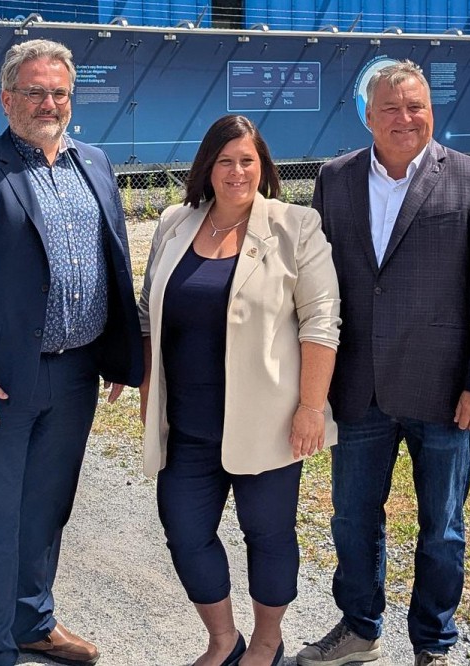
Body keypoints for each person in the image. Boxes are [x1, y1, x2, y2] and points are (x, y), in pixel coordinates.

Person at [0, 39, 143, 666]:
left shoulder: (95, 163)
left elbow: (115, 261)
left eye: (59, 93)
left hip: (76, 373)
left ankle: (33, 622)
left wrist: (119, 356)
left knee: (48, 508)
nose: (48, 103)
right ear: (6, 98)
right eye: (35, 91)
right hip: (0, 382)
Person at [297, 60, 470, 666]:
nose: (404, 118)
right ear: (367, 116)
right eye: (390, 107)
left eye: (415, 105)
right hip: (359, 387)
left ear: (431, 111)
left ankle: (433, 644)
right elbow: (319, 285)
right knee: (352, 519)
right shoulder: (334, 179)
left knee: (442, 529)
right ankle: (359, 630)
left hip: (445, 393)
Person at [138, 114, 341, 666]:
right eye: (225, 161)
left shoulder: (295, 225)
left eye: (247, 161)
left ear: (264, 167)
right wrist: (147, 387)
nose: (236, 172)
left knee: (268, 535)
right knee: (184, 531)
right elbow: (149, 313)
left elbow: (321, 322)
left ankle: (268, 642)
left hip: (269, 421)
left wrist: (311, 408)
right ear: (207, 167)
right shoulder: (175, 222)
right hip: (186, 425)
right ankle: (224, 640)